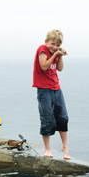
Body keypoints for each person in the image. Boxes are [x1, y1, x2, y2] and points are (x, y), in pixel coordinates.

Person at [32, 29, 70, 160]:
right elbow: (44, 66)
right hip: (44, 90)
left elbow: (60, 68)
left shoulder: (56, 53)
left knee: (63, 117)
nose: (55, 47)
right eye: (52, 44)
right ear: (46, 42)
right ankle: (47, 148)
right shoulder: (42, 49)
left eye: (58, 45)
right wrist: (54, 54)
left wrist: (60, 55)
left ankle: (65, 146)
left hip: (56, 88)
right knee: (47, 118)